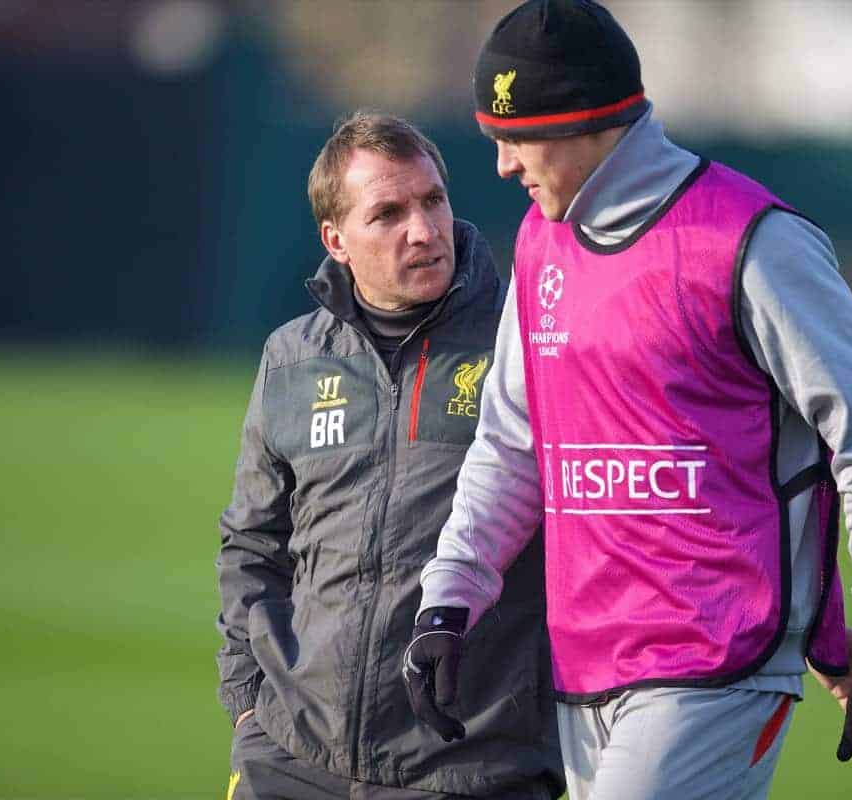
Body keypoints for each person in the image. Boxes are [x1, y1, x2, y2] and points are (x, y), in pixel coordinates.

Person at [401, 3, 852, 800]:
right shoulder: (539, 242)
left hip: (719, 665)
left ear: (584, 119)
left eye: (515, 139)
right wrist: (449, 599)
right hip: (582, 668)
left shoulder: (752, 241)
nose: (502, 167)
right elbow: (514, 447)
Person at [216, 112, 563, 800]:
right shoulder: (293, 357)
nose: (424, 230)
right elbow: (252, 543)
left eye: (433, 200)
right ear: (336, 240)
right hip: (290, 758)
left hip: (466, 767)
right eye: (389, 213)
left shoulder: (527, 345)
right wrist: (250, 704)